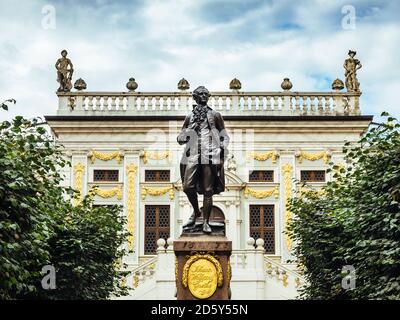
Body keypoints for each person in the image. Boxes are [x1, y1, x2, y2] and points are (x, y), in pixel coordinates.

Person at [177, 86, 229, 233]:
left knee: (208, 190)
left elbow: (224, 135)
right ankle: (196, 211)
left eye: (206, 94)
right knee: (187, 187)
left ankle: (206, 222)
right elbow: (180, 139)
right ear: (195, 97)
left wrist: (222, 149)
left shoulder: (215, 115)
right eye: (200, 94)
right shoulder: (189, 117)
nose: (204, 96)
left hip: (210, 154)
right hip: (192, 154)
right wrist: (189, 130)